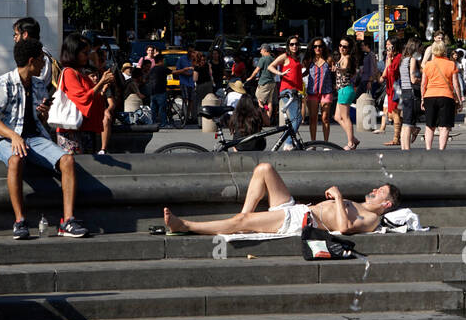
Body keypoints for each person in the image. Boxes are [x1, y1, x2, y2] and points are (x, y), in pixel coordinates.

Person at [0, 37, 87, 239]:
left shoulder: (39, 84)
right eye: (42, 59)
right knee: (16, 159)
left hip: (33, 137)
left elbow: (42, 119)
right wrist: (13, 136)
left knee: (67, 160)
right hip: (5, 139)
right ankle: (20, 221)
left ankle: (67, 220)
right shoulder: (2, 83)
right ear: (31, 61)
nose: (44, 64)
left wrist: (43, 112)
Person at [163, 160, 401, 237]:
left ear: (387, 204)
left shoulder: (371, 218)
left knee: (242, 220)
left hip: (302, 220)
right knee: (264, 168)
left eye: (381, 191)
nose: (375, 190)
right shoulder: (360, 205)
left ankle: (184, 225)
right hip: (298, 209)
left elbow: (344, 227)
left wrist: (338, 198)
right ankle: (244, 220)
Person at [55, 32, 115, 154]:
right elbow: (82, 98)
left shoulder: (81, 74)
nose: (87, 56)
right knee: (74, 166)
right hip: (71, 130)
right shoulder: (69, 73)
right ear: (73, 53)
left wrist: (102, 86)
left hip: (84, 128)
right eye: (84, 53)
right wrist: (101, 82)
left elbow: (91, 97)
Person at [420, 34, 463, 151]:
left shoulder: (428, 65)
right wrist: (459, 99)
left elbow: (423, 83)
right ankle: (441, 150)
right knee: (444, 127)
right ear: (444, 50)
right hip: (446, 97)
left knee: (430, 126)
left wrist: (422, 98)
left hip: (430, 96)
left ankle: (428, 149)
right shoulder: (451, 64)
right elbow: (456, 84)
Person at [267, 36, 304, 150]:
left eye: (296, 44)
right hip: (287, 90)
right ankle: (287, 143)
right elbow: (270, 66)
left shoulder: (297, 58)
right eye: (291, 44)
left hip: (295, 90)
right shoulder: (285, 56)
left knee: (296, 118)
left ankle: (288, 142)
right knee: (297, 118)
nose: (294, 46)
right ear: (288, 46)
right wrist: (280, 73)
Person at [13, 16, 55, 93]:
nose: (14, 38)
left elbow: (39, 87)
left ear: (25, 34)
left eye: (16, 34)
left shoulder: (41, 55)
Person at [305, 37, 335, 143]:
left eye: (320, 46)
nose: (318, 48)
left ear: (323, 47)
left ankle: (326, 143)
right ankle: (313, 143)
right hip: (312, 92)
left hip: (326, 92)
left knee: (325, 118)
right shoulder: (309, 60)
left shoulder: (329, 59)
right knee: (313, 118)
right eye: (315, 46)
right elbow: (304, 73)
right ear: (312, 48)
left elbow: (335, 72)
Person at [332, 37, 360, 151]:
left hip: (345, 89)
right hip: (342, 90)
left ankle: (351, 143)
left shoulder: (347, 58)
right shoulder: (341, 58)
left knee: (345, 117)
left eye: (345, 46)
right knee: (337, 117)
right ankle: (353, 138)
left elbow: (344, 68)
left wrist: (336, 68)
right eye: (340, 45)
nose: (342, 48)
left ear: (349, 49)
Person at [398, 37, 423, 152]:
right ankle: (407, 149)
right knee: (408, 124)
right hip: (412, 93)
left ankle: (404, 148)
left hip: (404, 92)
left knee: (405, 123)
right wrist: (422, 80)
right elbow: (413, 79)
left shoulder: (403, 60)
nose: (422, 50)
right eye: (420, 47)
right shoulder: (412, 59)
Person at [380, 37, 403, 146]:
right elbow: (386, 72)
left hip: (396, 87)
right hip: (389, 87)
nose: (387, 47)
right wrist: (382, 76)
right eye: (386, 45)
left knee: (395, 112)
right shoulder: (390, 57)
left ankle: (396, 138)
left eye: (389, 45)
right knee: (390, 114)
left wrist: (389, 59)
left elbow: (392, 71)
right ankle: (407, 130)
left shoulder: (398, 57)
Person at [145, 52, 169, 127]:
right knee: (162, 108)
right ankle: (163, 123)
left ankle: (153, 122)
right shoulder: (163, 68)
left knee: (153, 109)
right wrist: (184, 70)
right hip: (161, 91)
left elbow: (147, 78)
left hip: (152, 92)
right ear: (161, 60)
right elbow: (173, 72)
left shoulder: (152, 69)